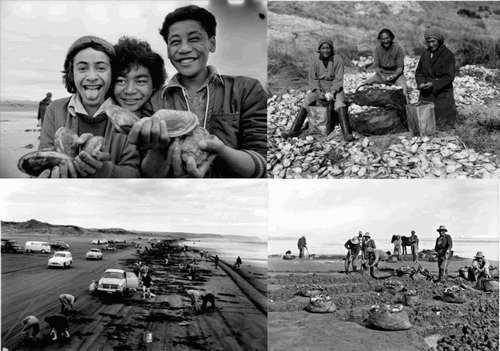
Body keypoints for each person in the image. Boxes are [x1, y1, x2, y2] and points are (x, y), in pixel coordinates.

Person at [137, 5, 267, 178]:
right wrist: (158, 151)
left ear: (211, 43)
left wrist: (222, 151)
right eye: (175, 42)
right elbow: (147, 173)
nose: (184, 49)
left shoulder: (246, 90)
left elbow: (263, 160)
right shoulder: (154, 102)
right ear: (168, 50)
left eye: (194, 39)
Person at [39, 35, 141, 178]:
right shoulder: (55, 109)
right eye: (82, 68)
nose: (92, 76)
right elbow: (43, 160)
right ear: (71, 73)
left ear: (112, 73)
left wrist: (104, 169)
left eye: (101, 68)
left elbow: (133, 173)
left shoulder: (129, 115)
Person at [283, 36, 354, 142]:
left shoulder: (338, 59)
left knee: (340, 103)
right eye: (323, 48)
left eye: (328, 48)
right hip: (320, 87)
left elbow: (339, 79)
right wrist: (318, 91)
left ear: (332, 48)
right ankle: (293, 131)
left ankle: (346, 133)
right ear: (319, 49)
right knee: (307, 102)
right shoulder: (314, 59)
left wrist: (333, 92)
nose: (326, 50)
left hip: (335, 87)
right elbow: (312, 79)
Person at [415, 27, 458, 127]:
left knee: (443, 123)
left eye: (433, 41)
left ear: (439, 41)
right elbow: (419, 71)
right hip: (426, 91)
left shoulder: (448, 55)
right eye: (428, 42)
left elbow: (448, 77)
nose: (430, 44)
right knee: (425, 122)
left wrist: (433, 84)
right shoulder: (425, 54)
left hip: (442, 92)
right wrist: (421, 83)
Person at [363, 28, 408, 98]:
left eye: (387, 38)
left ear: (391, 38)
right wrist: (381, 76)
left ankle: (406, 107)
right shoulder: (377, 49)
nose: (385, 41)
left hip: (396, 74)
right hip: (382, 73)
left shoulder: (398, 49)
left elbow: (400, 67)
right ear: (380, 40)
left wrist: (394, 75)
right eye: (383, 39)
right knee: (365, 86)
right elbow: (376, 66)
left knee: (403, 91)